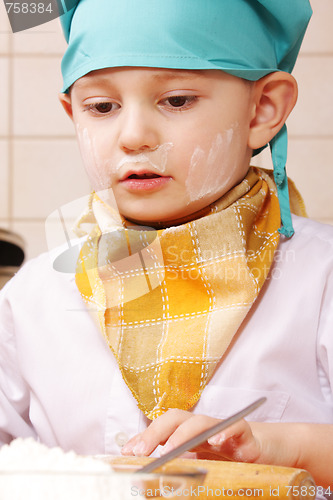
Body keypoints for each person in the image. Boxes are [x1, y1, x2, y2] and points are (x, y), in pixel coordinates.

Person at [0, 0, 332, 491]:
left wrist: (286, 446)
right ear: (74, 115)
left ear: (263, 110)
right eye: (102, 108)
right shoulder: (33, 298)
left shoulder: (320, 277)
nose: (133, 136)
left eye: (176, 100)